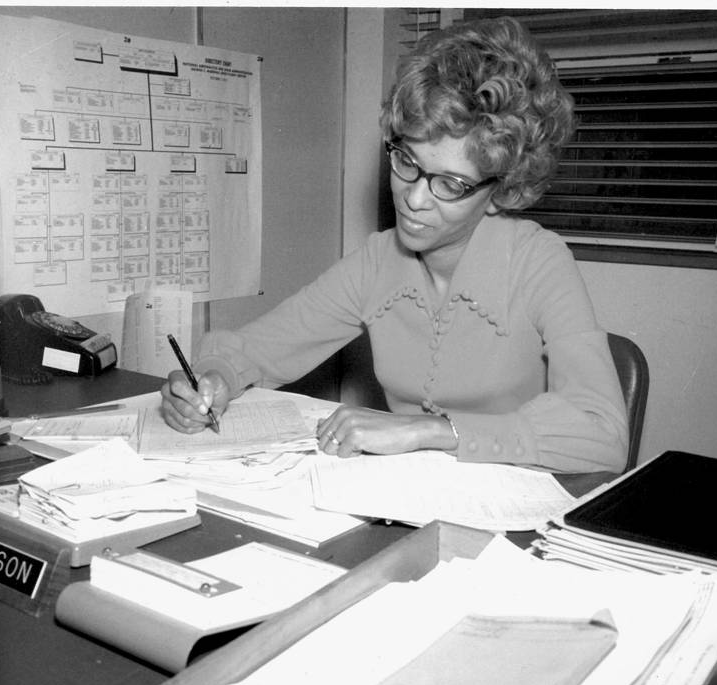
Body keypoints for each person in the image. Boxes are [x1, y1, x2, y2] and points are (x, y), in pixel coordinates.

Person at [161, 16, 628, 474]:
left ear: (501, 190)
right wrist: (212, 379)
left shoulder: (538, 262)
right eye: (407, 159)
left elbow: (602, 433)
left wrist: (430, 431)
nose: (414, 198)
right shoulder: (378, 261)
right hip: (410, 505)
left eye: (451, 183)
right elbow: (257, 349)